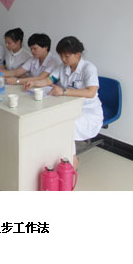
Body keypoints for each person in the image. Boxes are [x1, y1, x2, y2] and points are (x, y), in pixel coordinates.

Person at [25, 36, 103, 170]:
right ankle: (54, 157)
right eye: (61, 56)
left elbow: (91, 92)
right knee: (52, 121)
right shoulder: (62, 67)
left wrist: (64, 91)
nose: (63, 59)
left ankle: (72, 160)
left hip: (87, 111)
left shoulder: (89, 68)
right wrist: (34, 83)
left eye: (66, 56)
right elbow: (48, 81)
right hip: (69, 107)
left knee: (64, 125)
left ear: (78, 54)